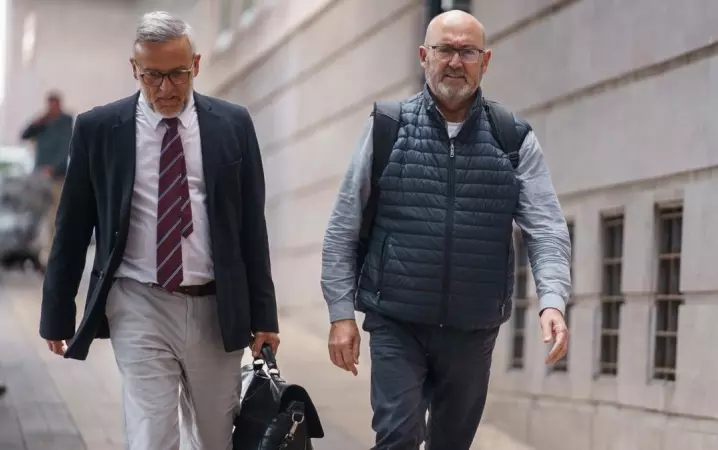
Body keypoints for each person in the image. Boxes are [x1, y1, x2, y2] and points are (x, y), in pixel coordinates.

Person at [321, 9, 572, 450]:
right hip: (397, 319)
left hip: (472, 329)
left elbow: (546, 227)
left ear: (485, 61)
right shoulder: (387, 127)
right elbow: (344, 225)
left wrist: (552, 300)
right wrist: (341, 314)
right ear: (424, 56)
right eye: (444, 50)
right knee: (398, 435)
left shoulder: (512, 138)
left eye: (467, 51)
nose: (455, 62)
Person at [39, 11, 279, 450]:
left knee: (213, 437)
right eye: (153, 76)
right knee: (152, 433)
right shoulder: (98, 129)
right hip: (138, 301)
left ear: (197, 65)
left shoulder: (233, 124)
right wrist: (57, 311)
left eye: (178, 74)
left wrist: (265, 316)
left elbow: (250, 226)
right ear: (135, 69)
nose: (166, 88)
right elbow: (72, 226)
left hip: (215, 305)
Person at [20, 91, 73, 264]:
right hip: (39, 177)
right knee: (37, 214)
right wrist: (38, 120)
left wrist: (54, 167)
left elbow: (66, 147)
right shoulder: (43, 122)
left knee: (55, 215)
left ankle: (53, 252)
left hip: (57, 177)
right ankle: (36, 251)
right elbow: (24, 135)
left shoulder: (66, 122)